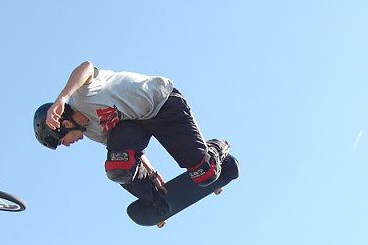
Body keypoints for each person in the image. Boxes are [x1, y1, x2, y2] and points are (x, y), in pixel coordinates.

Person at [32, 61, 231, 215]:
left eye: (62, 141)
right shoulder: (92, 131)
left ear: (65, 125)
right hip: (134, 124)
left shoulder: (82, 95)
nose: (68, 145)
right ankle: (154, 197)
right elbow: (128, 151)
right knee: (117, 166)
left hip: (163, 103)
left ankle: (215, 150)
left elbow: (87, 66)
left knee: (206, 173)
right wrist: (152, 173)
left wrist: (62, 98)